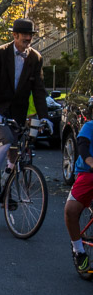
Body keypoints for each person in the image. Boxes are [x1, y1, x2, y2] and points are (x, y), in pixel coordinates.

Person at [0, 18, 52, 195]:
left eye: (30, 35)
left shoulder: (35, 58)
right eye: (24, 35)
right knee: (5, 139)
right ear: (15, 35)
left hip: (17, 112)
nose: (28, 38)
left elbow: (39, 89)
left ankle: (6, 190)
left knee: (16, 152)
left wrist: (44, 117)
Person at [65, 100, 93, 272]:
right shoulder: (89, 127)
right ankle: (79, 250)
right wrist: (91, 162)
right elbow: (83, 147)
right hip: (88, 174)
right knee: (70, 211)